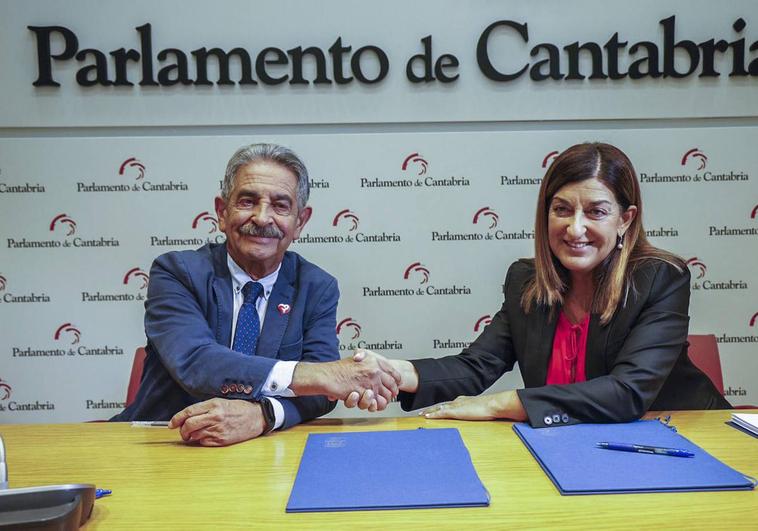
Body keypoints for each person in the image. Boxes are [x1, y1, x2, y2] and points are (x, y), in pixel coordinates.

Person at [346, 142, 731, 426]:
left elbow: (627, 393)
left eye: (596, 211)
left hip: (689, 437)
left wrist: (503, 404)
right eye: (562, 209)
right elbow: (477, 366)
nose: (575, 228)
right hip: (577, 445)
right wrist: (393, 371)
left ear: (626, 220)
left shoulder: (661, 277)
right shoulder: (526, 281)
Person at [112, 143, 400, 445]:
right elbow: (197, 362)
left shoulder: (316, 287)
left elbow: (322, 397)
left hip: (263, 447)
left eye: (280, 205)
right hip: (166, 442)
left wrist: (264, 415)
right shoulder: (177, 272)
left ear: (299, 222)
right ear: (222, 213)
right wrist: (320, 376)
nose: (262, 218)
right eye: (248, 201)